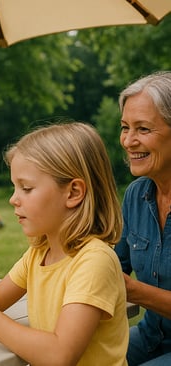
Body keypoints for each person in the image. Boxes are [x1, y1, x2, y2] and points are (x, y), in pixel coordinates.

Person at [0, 122, 128, 365]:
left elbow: (60, 355)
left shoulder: (94, 261)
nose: (12, 199)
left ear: (73, 193)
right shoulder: (38, 253)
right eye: (14, 187)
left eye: (26, 188)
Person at [115, 71, 171, 365]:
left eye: (143, 129)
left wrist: (134, 290)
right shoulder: (137, 195)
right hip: (151, 335)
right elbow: (113, 266)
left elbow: (124, 284)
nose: (128, 141)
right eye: (125, 127)